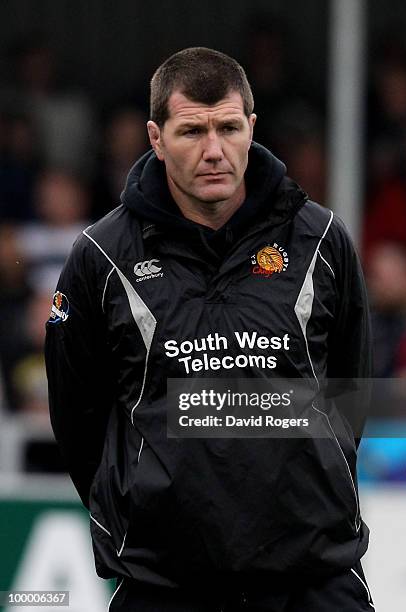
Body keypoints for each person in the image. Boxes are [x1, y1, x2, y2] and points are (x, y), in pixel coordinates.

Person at [45, 48, 374, 611]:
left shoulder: (321, 240)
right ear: (155, 137)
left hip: (312, 575)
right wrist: (143, 504)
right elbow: (78, 416)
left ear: (252, 128)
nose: (214, 151)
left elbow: (350, 390)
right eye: (192, 131)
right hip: (164, 583)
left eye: (227, 127)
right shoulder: (101, 255)